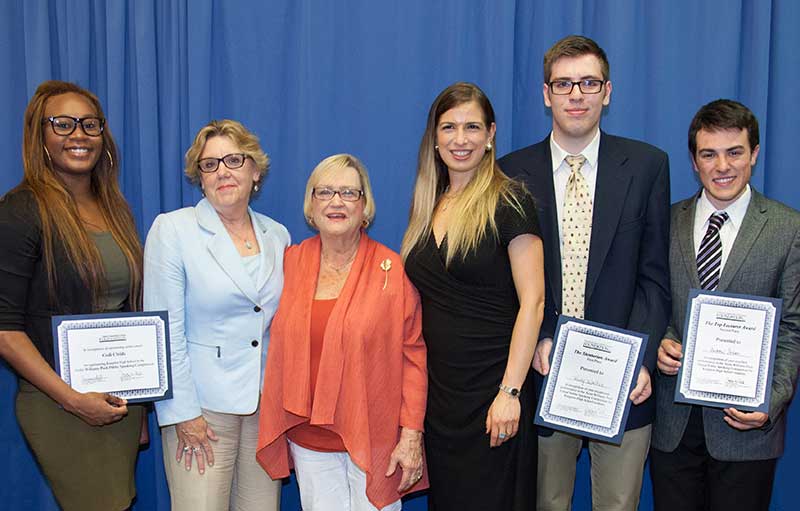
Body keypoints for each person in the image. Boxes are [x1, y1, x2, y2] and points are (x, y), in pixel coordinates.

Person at [499, 35, 671, 510]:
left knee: (618, 504)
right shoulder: (512, 172)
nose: (576, 95)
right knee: (546, 502)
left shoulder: (647, 166)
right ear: (546, 93)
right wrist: (539, 338)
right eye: (565, 83)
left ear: (608, 91)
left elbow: (655, 278)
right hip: (546, 373)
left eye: (588, 83)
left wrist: (642, 356)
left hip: (625, 381)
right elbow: (507, 284)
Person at [0, 80, 145, 511]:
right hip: (57, 403)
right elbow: (5, 330)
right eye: (62, 124)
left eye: (89, 124)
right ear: (39, 137)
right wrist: (73, 401)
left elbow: (126, 309)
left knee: (118, 501)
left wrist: (139, 401)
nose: (78, 135)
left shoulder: (114, 209)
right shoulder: (20, 211)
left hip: (117, 401)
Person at [650, 99, 800, 510]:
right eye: (709, 154)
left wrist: (770, 401)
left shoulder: (789, 229)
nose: (722, 166)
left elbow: (793, 328)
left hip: (747, 427)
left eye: (734, 152)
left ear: (754, 154)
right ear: (694, 161)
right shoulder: (664, 222)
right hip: (672, 424)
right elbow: (649, 301)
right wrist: (658, 341)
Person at [401, 82, 545, 510]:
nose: (459, 139)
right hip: (441, 401)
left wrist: (511, 393)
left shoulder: (510, 201)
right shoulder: (428, 205)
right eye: (448, 127)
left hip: (493, 397)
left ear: (490, 135)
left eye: (471, 127)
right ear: (434, 137)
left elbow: (533, 303)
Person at [256, 154, 427, 511]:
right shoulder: (290, 263)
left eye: (349, 193)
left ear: (365, 207)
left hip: (375, 436)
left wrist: (411, 435)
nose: (336, 202)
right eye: (325, 192)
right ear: (311, 204)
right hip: (310, 440)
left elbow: (414, 358)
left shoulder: (391, 271)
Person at [144, 120, 288, 511]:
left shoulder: (278, 236)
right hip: (201, 411)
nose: (223, 171)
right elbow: (165, 330)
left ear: (255, 171)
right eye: (210, 164)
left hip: (263, 408)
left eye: (234, 160)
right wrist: (182, 414)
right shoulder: (173, 230)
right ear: (200, 178)